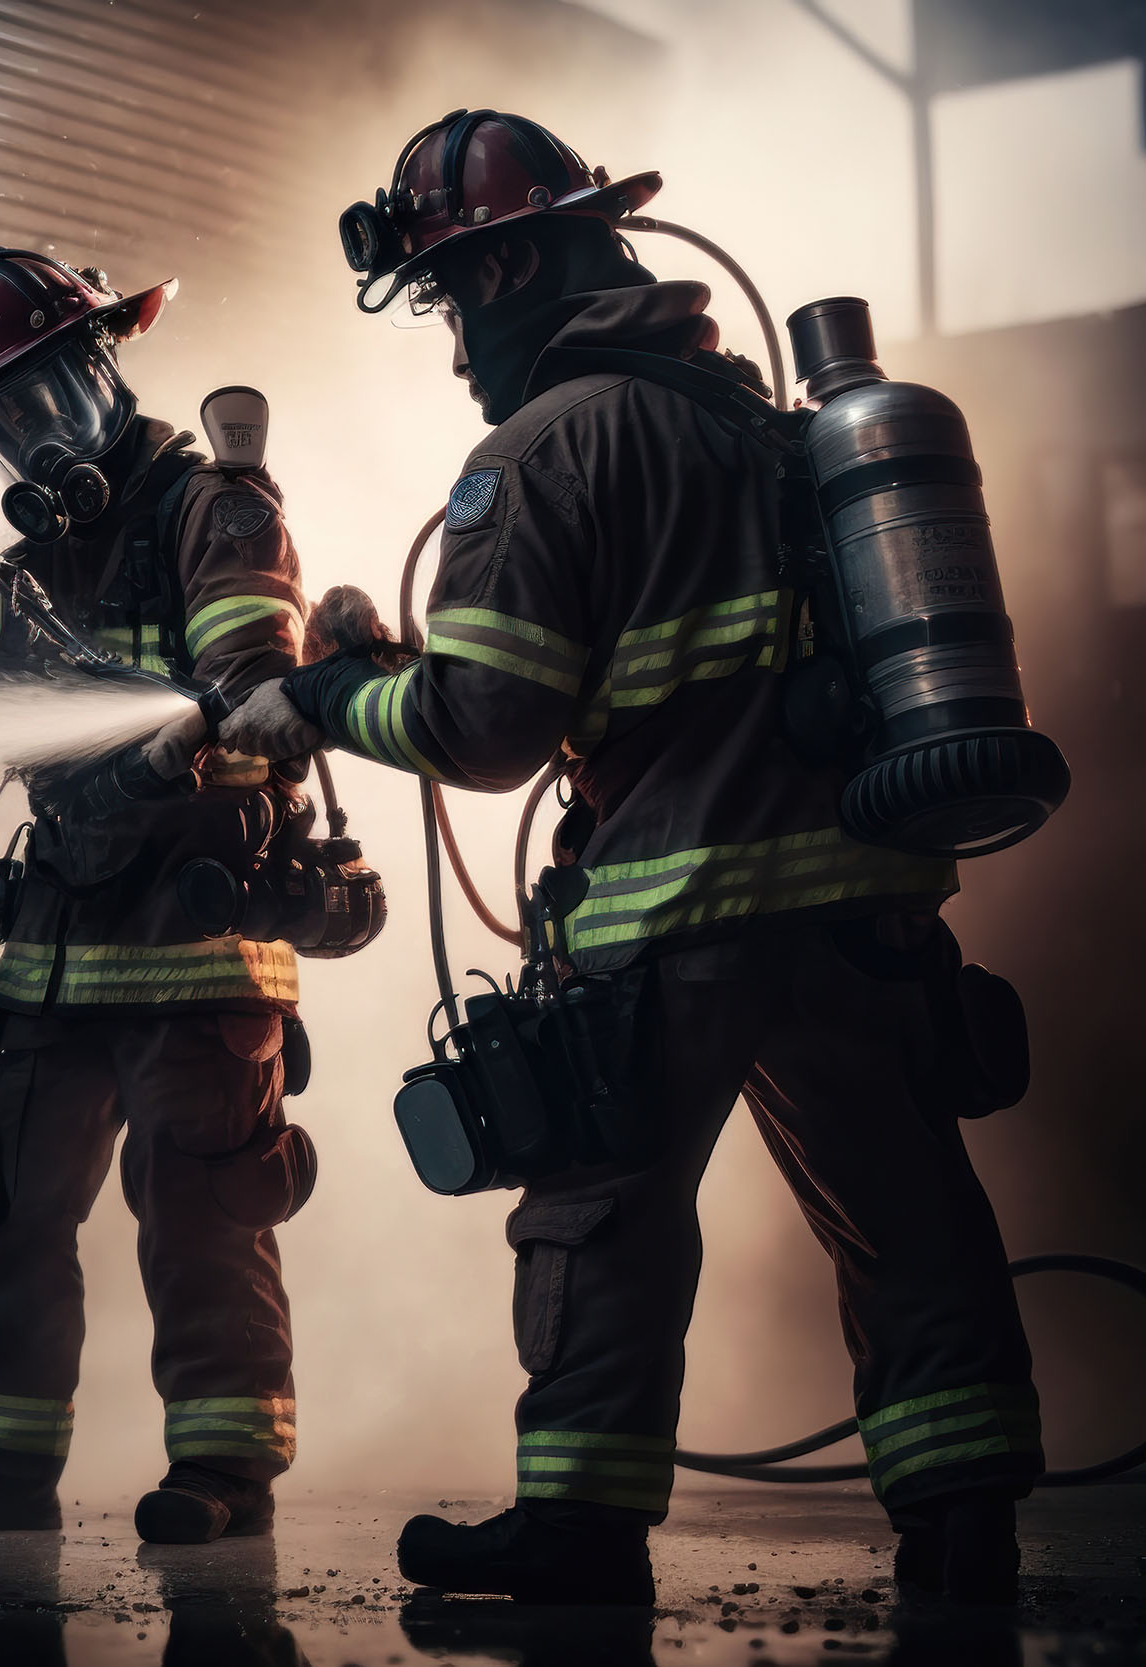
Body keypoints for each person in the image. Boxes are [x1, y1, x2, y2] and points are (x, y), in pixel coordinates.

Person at [220, 110, 1041, 1605]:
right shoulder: (769, 426)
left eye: (454, 294)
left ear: (518, 263)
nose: (455, 341)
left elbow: (484, 730)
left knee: (598, 1220)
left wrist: (330, 698)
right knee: (907, 1212)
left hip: (678, 914)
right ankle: (967, 1518)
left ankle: (582, 1535)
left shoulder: (541, 451)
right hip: (864, 903)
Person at [0, 247, 316, 1544]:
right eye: (4, 420)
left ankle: (224, 1475)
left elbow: (262, 695)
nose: (30, 438)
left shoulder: (211, 510)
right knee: (4, 1208)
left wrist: (170, 745)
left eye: (45, 398)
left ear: (103, 364)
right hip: (60, 954)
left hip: (196, 938)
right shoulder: (36, 567)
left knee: (202, 1216)